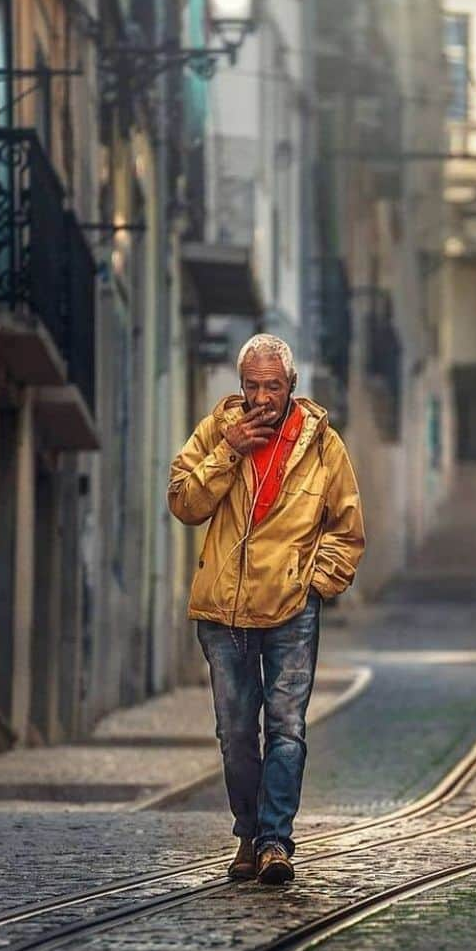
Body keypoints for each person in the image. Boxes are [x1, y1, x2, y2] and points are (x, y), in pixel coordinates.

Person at [168, 334, 365, 884]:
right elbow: (184, 502)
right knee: (234, 734)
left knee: (286, 728)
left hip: (290, 611)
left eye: (272, 386)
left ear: (292, 387)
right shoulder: (216, 431)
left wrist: (313, 585)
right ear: (241, 386)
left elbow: (346, 530)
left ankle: (276, 841)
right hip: (223, 614)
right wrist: (229, 450)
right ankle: (249, 834)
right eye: (252, 386)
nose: (261, 397)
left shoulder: (325, 447)